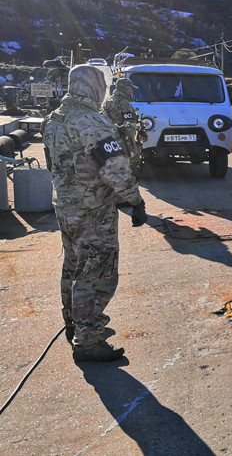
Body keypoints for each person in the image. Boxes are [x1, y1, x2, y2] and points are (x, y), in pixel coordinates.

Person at [43, 65, 148, 362]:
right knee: (97, 272)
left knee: (74, 267)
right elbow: (115, 168)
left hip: (65, 207)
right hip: (92, 211)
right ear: (95, 86)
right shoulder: (92, 121)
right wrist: (135, 202)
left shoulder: (54, 118)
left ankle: (75, 324)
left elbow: (52, 163)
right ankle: (88, 340)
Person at [101, 78, 142, 178]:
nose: (131, 91)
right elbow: (130, 126)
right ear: (124, 88)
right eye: (130, 88)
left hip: (111, 137)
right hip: (124, 138)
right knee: (131, 161)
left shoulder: (108, 100)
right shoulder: (124, 103)